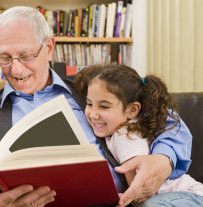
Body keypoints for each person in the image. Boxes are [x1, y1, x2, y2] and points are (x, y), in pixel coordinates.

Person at [0, 6, 192, 207]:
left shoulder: (91, 86)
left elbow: (166, 119)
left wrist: (164, 159)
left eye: (26, 56)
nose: (15, 69)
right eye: (4, 58)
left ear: (48, 48)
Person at [80, 64, 203, 206]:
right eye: (89, 104)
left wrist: (121, 198)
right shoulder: (132, 124)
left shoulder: (124, 135)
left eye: (104, 106)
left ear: (132, 109)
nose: (93, 114)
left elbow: (139, 190)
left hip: (186, 195)